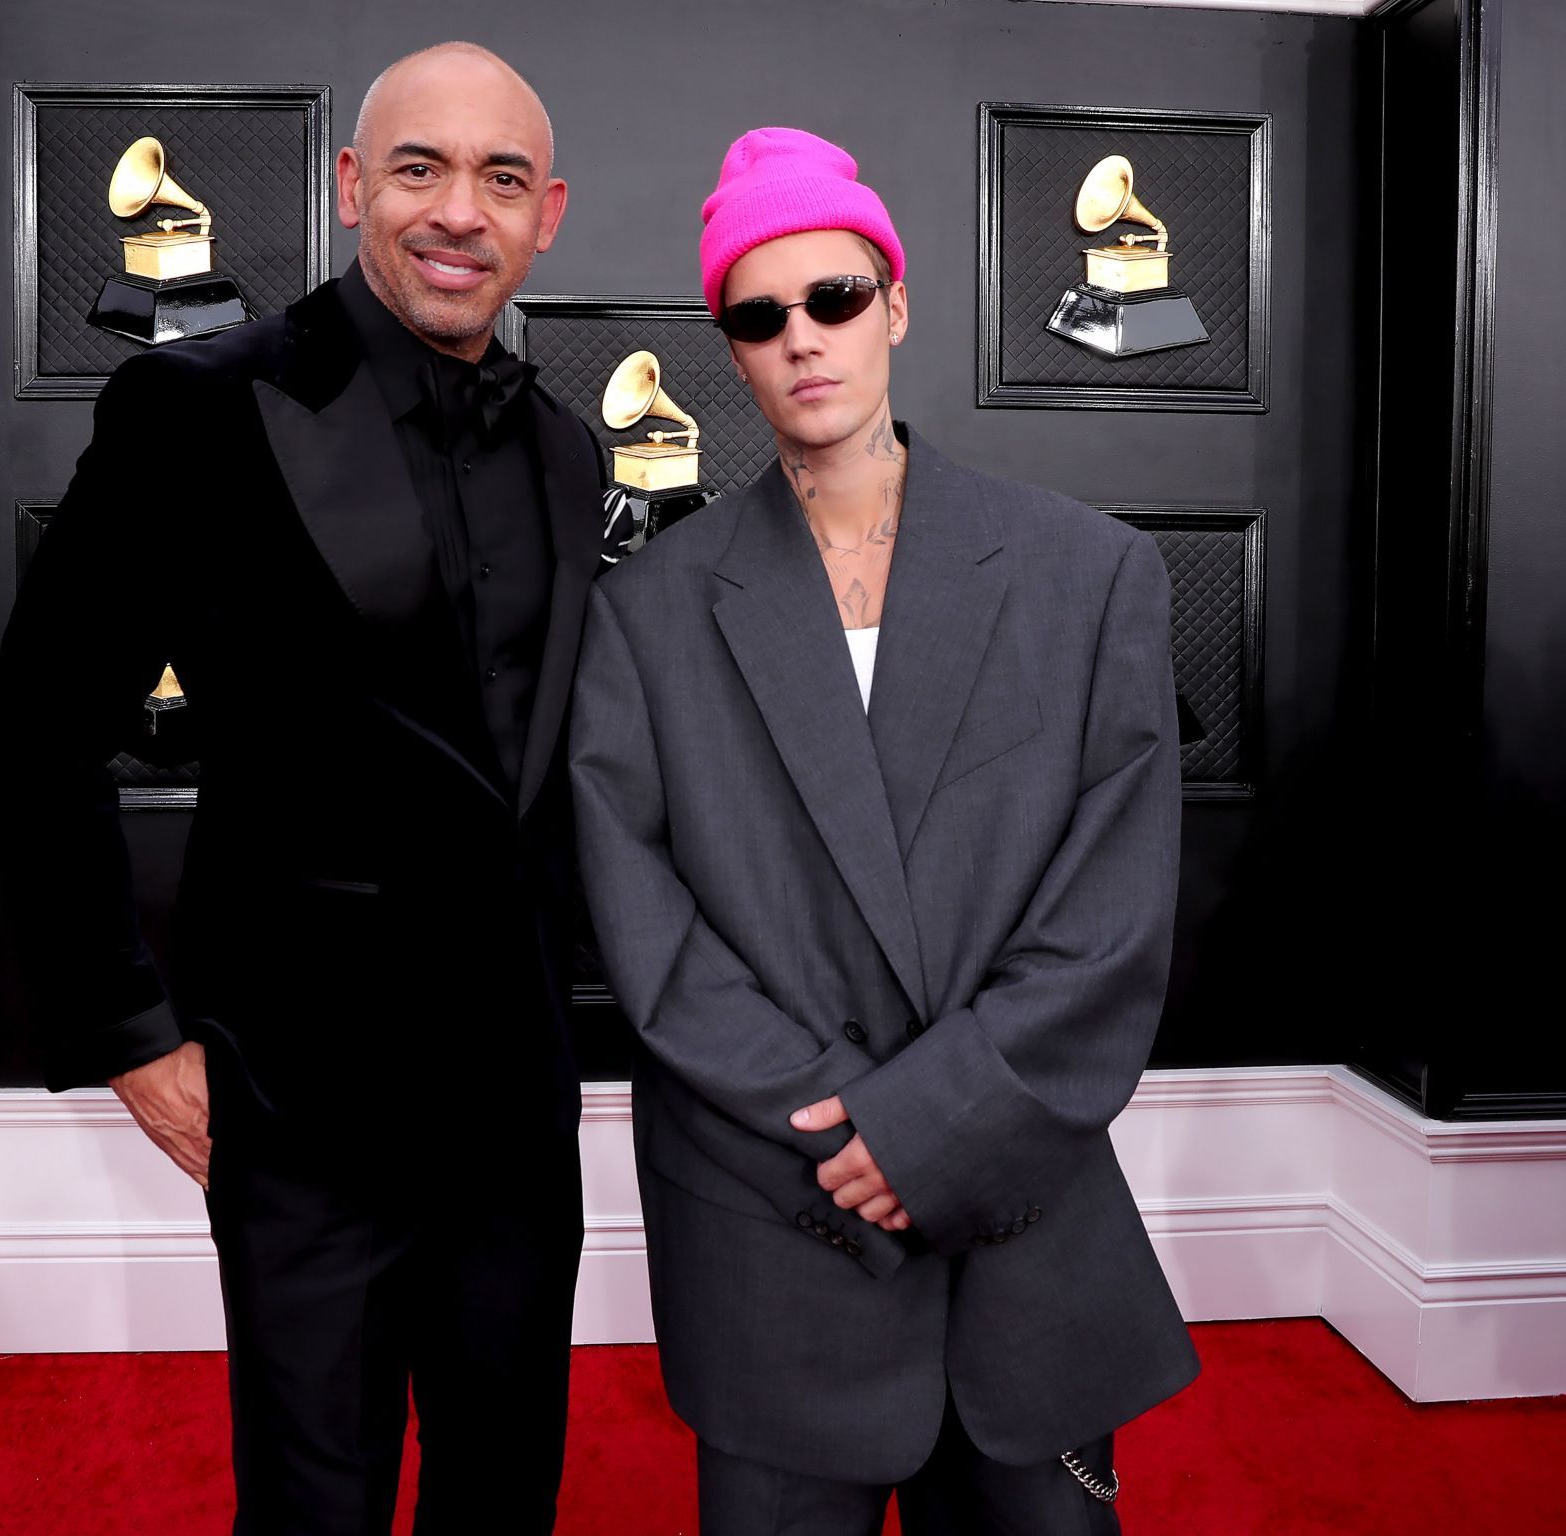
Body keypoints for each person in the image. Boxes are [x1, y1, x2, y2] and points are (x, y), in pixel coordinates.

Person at [0, 43, 604, 1536]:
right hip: (299, 1087)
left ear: (549, 216)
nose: (460, 211)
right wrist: (129, 1030)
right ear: (351, 188)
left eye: (500, 179)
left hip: (515, 1093)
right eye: (420, 169)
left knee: (506, 1479)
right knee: (316, 1497)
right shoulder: (197, 406)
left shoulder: (576, 453)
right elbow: (41, 728)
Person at [568, 126, 1199, 1535]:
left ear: (897, 305)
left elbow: (1111, 922)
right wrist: (851, 1125)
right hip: (773, 1213)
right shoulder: (648, 612)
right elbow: (645, 925)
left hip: (1019, 1211)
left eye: (836, 299)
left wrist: (934, 1126)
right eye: (759, 313)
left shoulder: (1090, 574)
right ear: (729, 346)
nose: (804, 339)